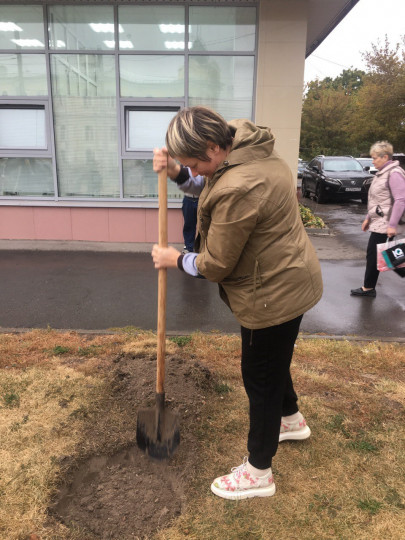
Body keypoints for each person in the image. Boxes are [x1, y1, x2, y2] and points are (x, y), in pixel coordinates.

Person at [152, 106, 323, 501]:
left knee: (260, 376)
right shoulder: (248, 148)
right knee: (274, 359)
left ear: (214, 147)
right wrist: (179, 173)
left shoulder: (241, 185)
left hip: (271, 294)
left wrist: (174, 259)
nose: (195, 169)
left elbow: (215, 264)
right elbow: (207, 183)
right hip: (289, 277)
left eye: (194, 162)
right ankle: (290, 419)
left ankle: (258, 472)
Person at [351, 141, 405, 298]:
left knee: (379, 254)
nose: (372, 161)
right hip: (379, 220)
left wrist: (392, 225)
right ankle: (368, 287)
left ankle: (368, 288)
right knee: (381, 255)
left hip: (387, 221)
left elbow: (401, 200)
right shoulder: (381, 173)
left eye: (375, 158)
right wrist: (368, 218)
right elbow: (377, 201)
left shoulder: (394, 173)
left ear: (385, 157)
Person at [155, 153, 204, 253]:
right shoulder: (184, 164)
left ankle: (203, 249)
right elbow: (189, 182)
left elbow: (200, 183)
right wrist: (175, 172)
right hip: (188, 199)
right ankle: (188, 247)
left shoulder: (203, 165)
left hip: (201, 199)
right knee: (189, 224)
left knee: (203, 225)